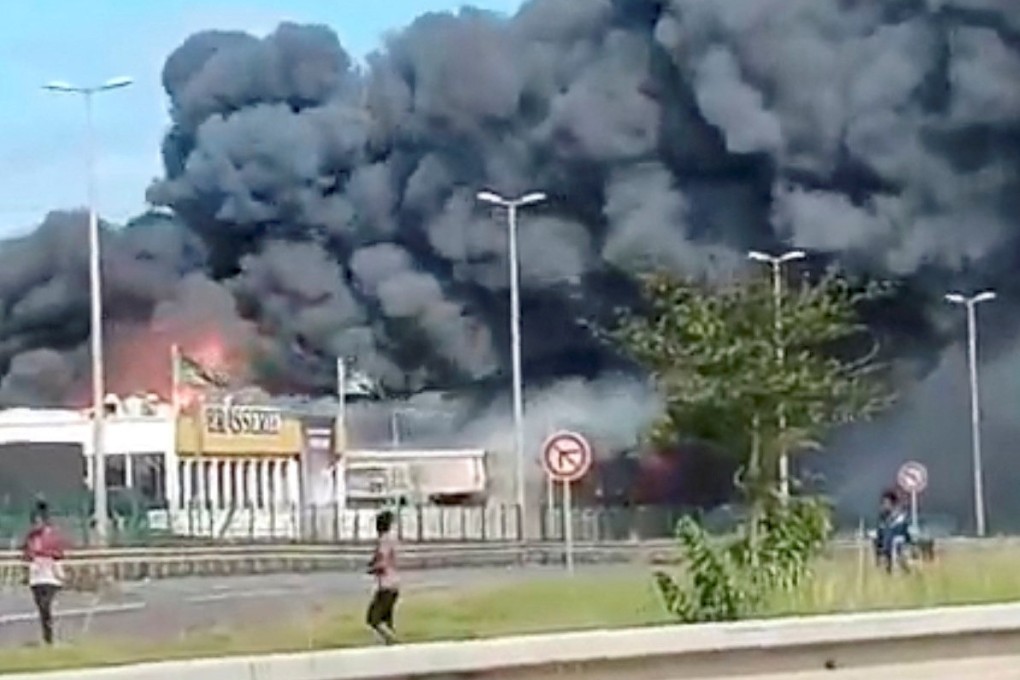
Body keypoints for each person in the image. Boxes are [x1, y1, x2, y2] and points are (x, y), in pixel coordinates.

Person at [20, 499, 66, 645]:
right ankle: (47, 637)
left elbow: (57, 555)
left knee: (46, 604)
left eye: (38, 521)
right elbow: (26, 556)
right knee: (41, 607)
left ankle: (50, 636)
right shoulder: (30, 538)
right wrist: (26, 572)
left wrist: (60, 573)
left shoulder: (52, 536)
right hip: (36, 577)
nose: (35, 524)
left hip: (50, 576)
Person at [366, 509, 399, 645]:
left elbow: (382, 562)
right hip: (394, 584)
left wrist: (373, 569)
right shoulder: (391, 539)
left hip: (386, 585)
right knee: (386, 620)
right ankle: (390, 649)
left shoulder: (384, 541)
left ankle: (393, 640)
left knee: (373, 618)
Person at [874, 489, 911, 574]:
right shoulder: (883, 517)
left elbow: (902, 532)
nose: (884, 505)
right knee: (888, 570)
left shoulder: (900, 517)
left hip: (898, 548)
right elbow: (880, 533)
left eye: (886, 503)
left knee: (900, 567)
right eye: (883, 503)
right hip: (887, 550)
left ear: (892, 503)